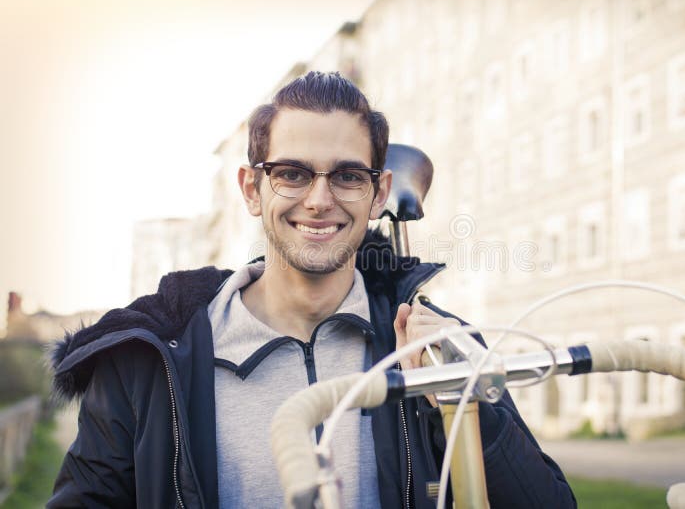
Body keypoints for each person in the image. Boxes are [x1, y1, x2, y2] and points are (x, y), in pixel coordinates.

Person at [48, 71, 575, 508]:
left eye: (348, 176)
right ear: (252, 190)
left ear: (379, 193)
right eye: (293, 174)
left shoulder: (435, 345)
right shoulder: (150, 359)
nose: (320, 200)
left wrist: (464, 406)